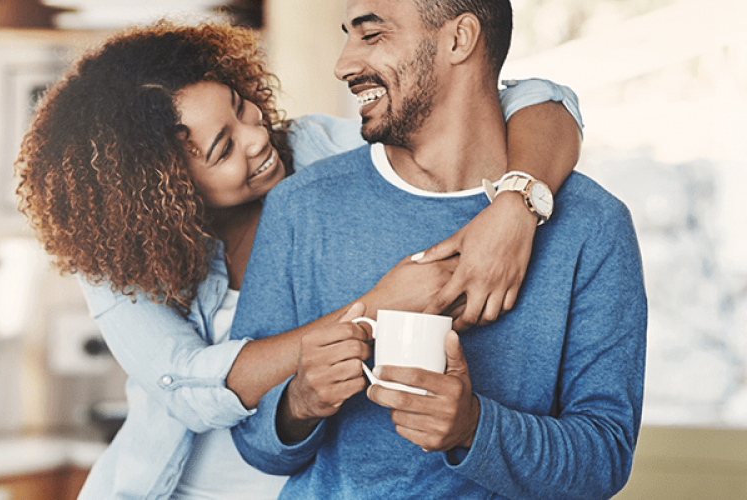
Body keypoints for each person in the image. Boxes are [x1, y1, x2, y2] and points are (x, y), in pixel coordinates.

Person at [16, 18, 584, 500]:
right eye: (223, 149)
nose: (256, 138)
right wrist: (374, 307)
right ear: (165, 190)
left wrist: (517, 203)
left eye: (242, 109)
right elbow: (187, 387)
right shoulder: (118, 258)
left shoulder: (317, 151)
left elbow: (537, 100)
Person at [228, 1, 647, 499]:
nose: (342, 64)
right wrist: (298, 402)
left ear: (459, 38)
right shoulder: (301, 207)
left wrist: (473, 428)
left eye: (371, 35)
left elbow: (605, 459)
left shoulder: (592, 226)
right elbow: (255, 442)